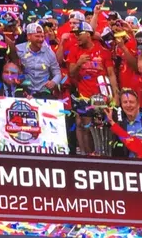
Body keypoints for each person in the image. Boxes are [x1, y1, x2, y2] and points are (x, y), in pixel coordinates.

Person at [66, 21, 118, 155]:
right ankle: (87, 155)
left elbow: (111, 74)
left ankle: (104, 154)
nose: (76, 37)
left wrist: (116, 95)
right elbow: (71, 73)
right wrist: (79, 63)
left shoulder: (103, 51)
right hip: (84, 95)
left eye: (79, 34)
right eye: (75, 34)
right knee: (85, 126)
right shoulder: (74, 50)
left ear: (88, 34)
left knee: (103, 126)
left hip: (102, 95)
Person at [15, 22, 63, 95]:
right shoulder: (19, 50)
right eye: (37, 36)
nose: (41, 39)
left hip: (44, 91)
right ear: (28, 36)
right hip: (24, 90)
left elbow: (57, 73)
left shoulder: (49, 53)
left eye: (42, 36)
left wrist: (53, 82)